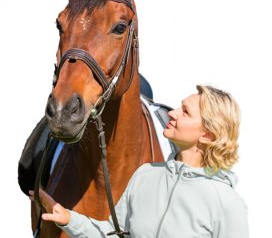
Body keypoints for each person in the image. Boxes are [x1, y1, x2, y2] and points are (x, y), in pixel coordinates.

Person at [29, 85, 249, 238]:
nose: (172, 113)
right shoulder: (145, 175)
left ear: (207, 135)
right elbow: (116, 234)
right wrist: (68, 218)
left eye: (186, 112)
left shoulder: (227, 204)